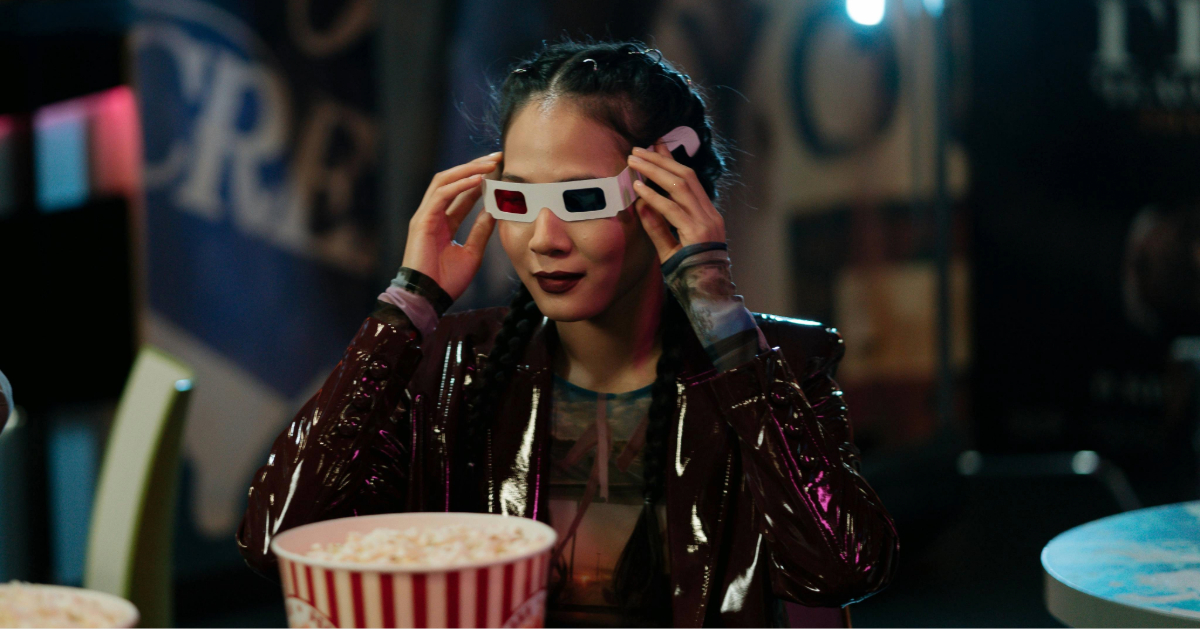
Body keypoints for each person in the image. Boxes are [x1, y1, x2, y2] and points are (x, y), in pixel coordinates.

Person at [238, 40, 898, 627]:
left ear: (670, 194)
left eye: (582, 200)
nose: (544, 240)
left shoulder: (777, 366)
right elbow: (276, 541)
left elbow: (841, 569)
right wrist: (406, 306)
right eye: (517, 200)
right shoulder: (450, 365)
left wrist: (722, 320)